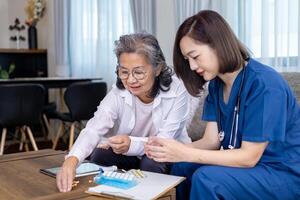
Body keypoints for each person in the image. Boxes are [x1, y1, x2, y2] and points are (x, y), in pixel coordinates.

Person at [145, 10, 300, 200]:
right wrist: (171, 148)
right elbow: (211, 141)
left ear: (218, 45)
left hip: (280, 173)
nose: (192, 66)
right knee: (181, 167)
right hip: (250, 169)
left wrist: (185, 152)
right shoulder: (217, 85)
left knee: (208, 179)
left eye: (195, 56)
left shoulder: (265, 84)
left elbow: (249, 157)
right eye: (187, 60)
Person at [56, 32, 191, 192]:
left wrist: (131, 143)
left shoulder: (177, 90)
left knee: (151, 161)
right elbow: (93, 128)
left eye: (139, 72)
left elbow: (163, 142)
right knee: (100, 154)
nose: (131, 80)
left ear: (158, 69)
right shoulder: (118, 93)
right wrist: (71, 160)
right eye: (124, 72)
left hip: (165, 152)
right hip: (131, 154)